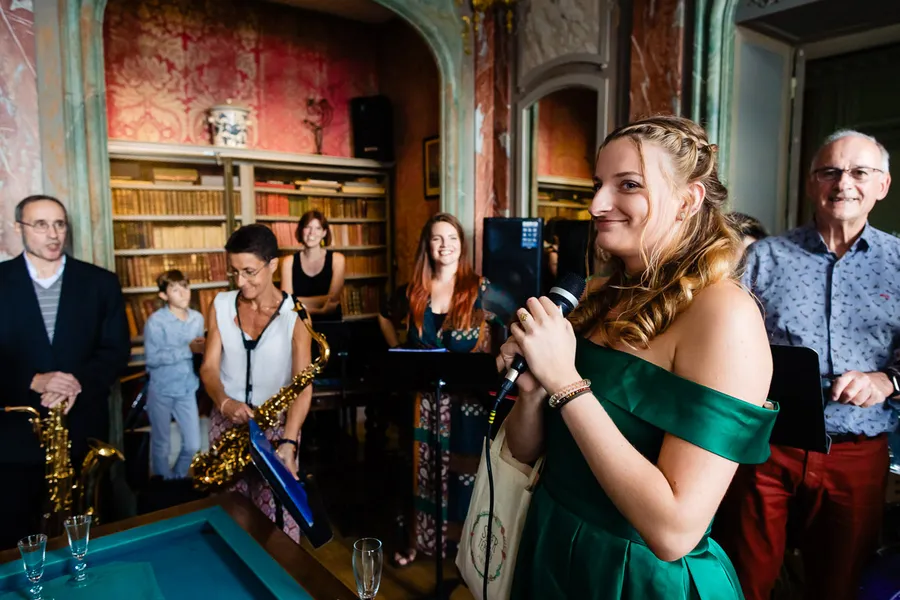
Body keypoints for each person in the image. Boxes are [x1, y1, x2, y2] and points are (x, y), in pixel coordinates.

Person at [499, 116, 778, 599]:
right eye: (597, 185)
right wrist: (532, 390)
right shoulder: (594, 296)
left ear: (688, 200)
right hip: (550, 545)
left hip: (636, 575)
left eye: (628, 185)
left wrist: (565, 382)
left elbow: (673, 532)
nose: (596, 205)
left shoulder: (724, 316)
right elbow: (526, 454)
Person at [715, 129, 900, 600]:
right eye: (830, 172)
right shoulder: (764, 258)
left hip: (857, 452)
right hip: (768, 446)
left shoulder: (898, 263)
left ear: (882, 185)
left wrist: (887, 380)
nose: (844, 183)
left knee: (838, 586)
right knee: (744, 580)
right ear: (811, 183)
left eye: (860, 172)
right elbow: (724, 339)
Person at [0, 195, 130, 549]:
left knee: (87, 540)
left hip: (82, 433)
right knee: (15, 539)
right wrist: (33, 380)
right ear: (19, 228)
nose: (53, 234)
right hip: (13, 443)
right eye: (41, 224)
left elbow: (116, 351)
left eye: (59, 224)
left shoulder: (101, 282)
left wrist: (76, 383)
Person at [385, 213, 498, 567]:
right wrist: (397, 349)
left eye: (452, 238)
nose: (445, 245)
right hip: (423, 404)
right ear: (427, 246)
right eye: (437, 238)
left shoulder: (481, 289)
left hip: (468, 406)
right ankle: (418, 541)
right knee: (420, 473)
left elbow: (508, 328)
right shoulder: (413, 292)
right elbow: (385, 316)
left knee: (464, 479)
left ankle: (464, 552)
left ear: (461, 246)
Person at [199, 224, 313, 543]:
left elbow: (303, 385)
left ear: (272, 264)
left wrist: (289, 442)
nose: (240, 282)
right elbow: (209, 368)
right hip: (226, 426)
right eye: (234, 272)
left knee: (279, 529)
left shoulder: (296, 314)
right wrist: (225, 403)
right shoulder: (220, 304)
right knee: (229, 523)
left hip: (277, 429)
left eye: (249, 272)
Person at [143, 269, 205, 480]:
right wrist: (187, 349)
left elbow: (198, 353)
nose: (183, 293)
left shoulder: (197, 318)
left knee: (193, 444)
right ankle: (164, 485)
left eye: (185, 287)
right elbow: (152, 358)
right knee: (161, 443)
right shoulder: (156, 322)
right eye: (175, 290)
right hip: (161, 389)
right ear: (163, 295)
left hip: (187, 387)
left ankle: (177, 479)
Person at [279, 210, 345, 320]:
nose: (312, 233)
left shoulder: (337, 259)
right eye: (307, 227)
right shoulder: (288, 262)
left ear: (324, 233)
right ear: (301, 230)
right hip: (299, 323)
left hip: (330, 323)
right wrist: (321, 310)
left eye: (318, 228)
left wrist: (297, 301)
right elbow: (286, 303)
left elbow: (333, 300)